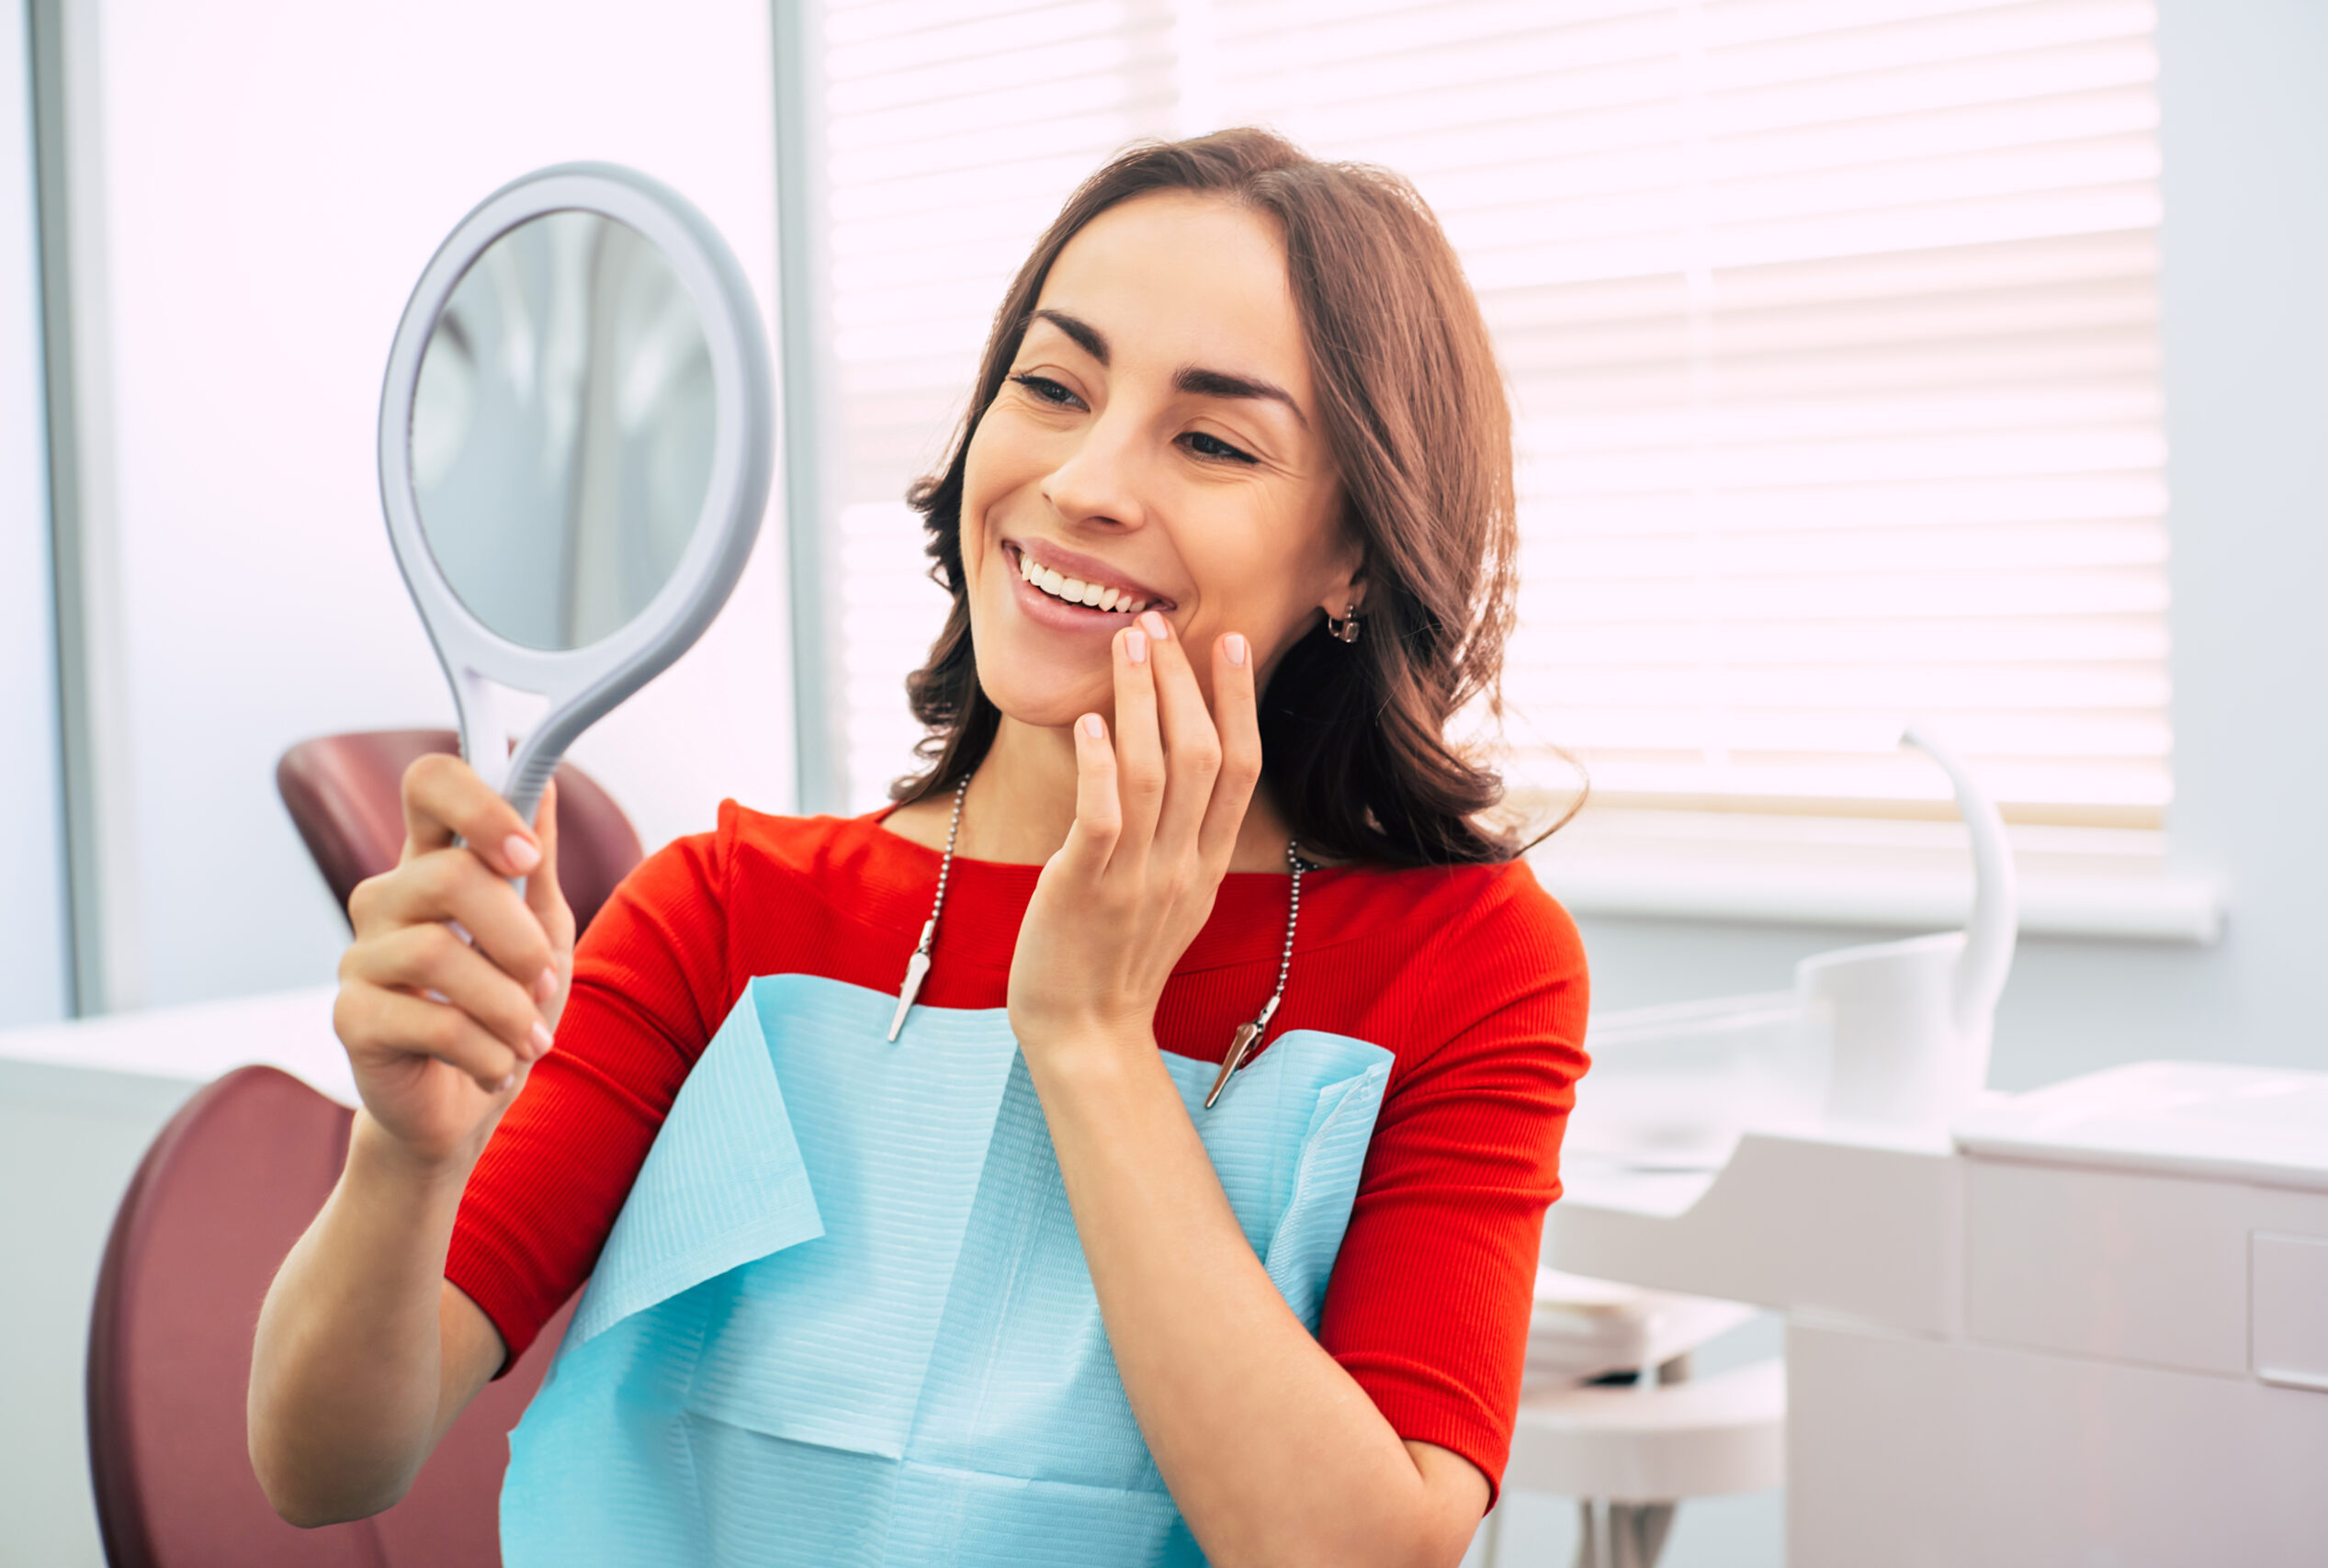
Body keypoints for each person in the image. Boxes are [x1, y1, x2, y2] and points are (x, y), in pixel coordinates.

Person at [250, 129, 1588, 1568]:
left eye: (1209, 439)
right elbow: (324, 1462)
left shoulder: (1468, 967)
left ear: (1356, 555)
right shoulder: (726, 914)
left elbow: (1355, 1554)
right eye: (1053, 387)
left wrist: (1086, 1031)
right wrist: (401, 1158)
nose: (1083, 481)